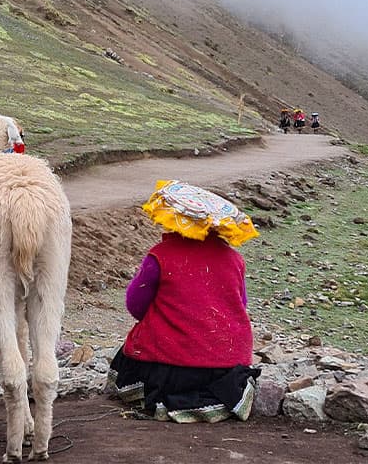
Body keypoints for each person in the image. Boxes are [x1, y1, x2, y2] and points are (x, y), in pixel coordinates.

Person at [106, 180, 261, 423]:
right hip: (226, 369)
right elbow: (240, 304)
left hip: (169, 367)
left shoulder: (160, 255)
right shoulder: (235, 260)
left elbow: (136, 306)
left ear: (176, 219)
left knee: (128, 360)